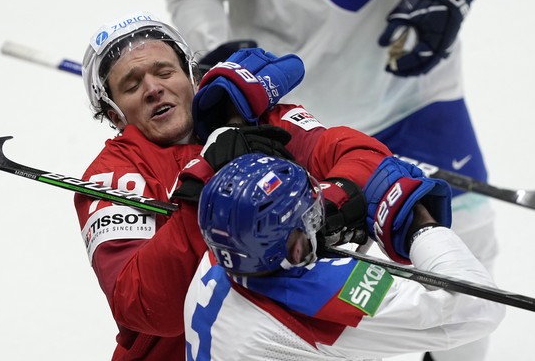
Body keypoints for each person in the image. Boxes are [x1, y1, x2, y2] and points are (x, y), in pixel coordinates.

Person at [162, 0, 497, 360]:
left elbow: (470, 305)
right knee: (296, 259)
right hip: (299, 106)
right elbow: (474, 309)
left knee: (471, 230)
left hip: (410, 92)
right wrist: (215, 49)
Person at [74, 11, 399, 360]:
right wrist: (207, 181)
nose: (153, 89)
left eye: (165, 72)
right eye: (132, 85)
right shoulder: (111, 175)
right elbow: (144, 305)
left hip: (293, 337)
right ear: (113, 114)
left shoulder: (255, 117)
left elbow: (359, 155)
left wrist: (328, 205)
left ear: (191, 75)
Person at [186, 152, 505, 361]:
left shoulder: (218, 255)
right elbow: (477, 309)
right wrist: (419, 224)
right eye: (309, 215)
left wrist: (340, 235)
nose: (317, 215)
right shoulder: (321, 301)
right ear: (293, 249)